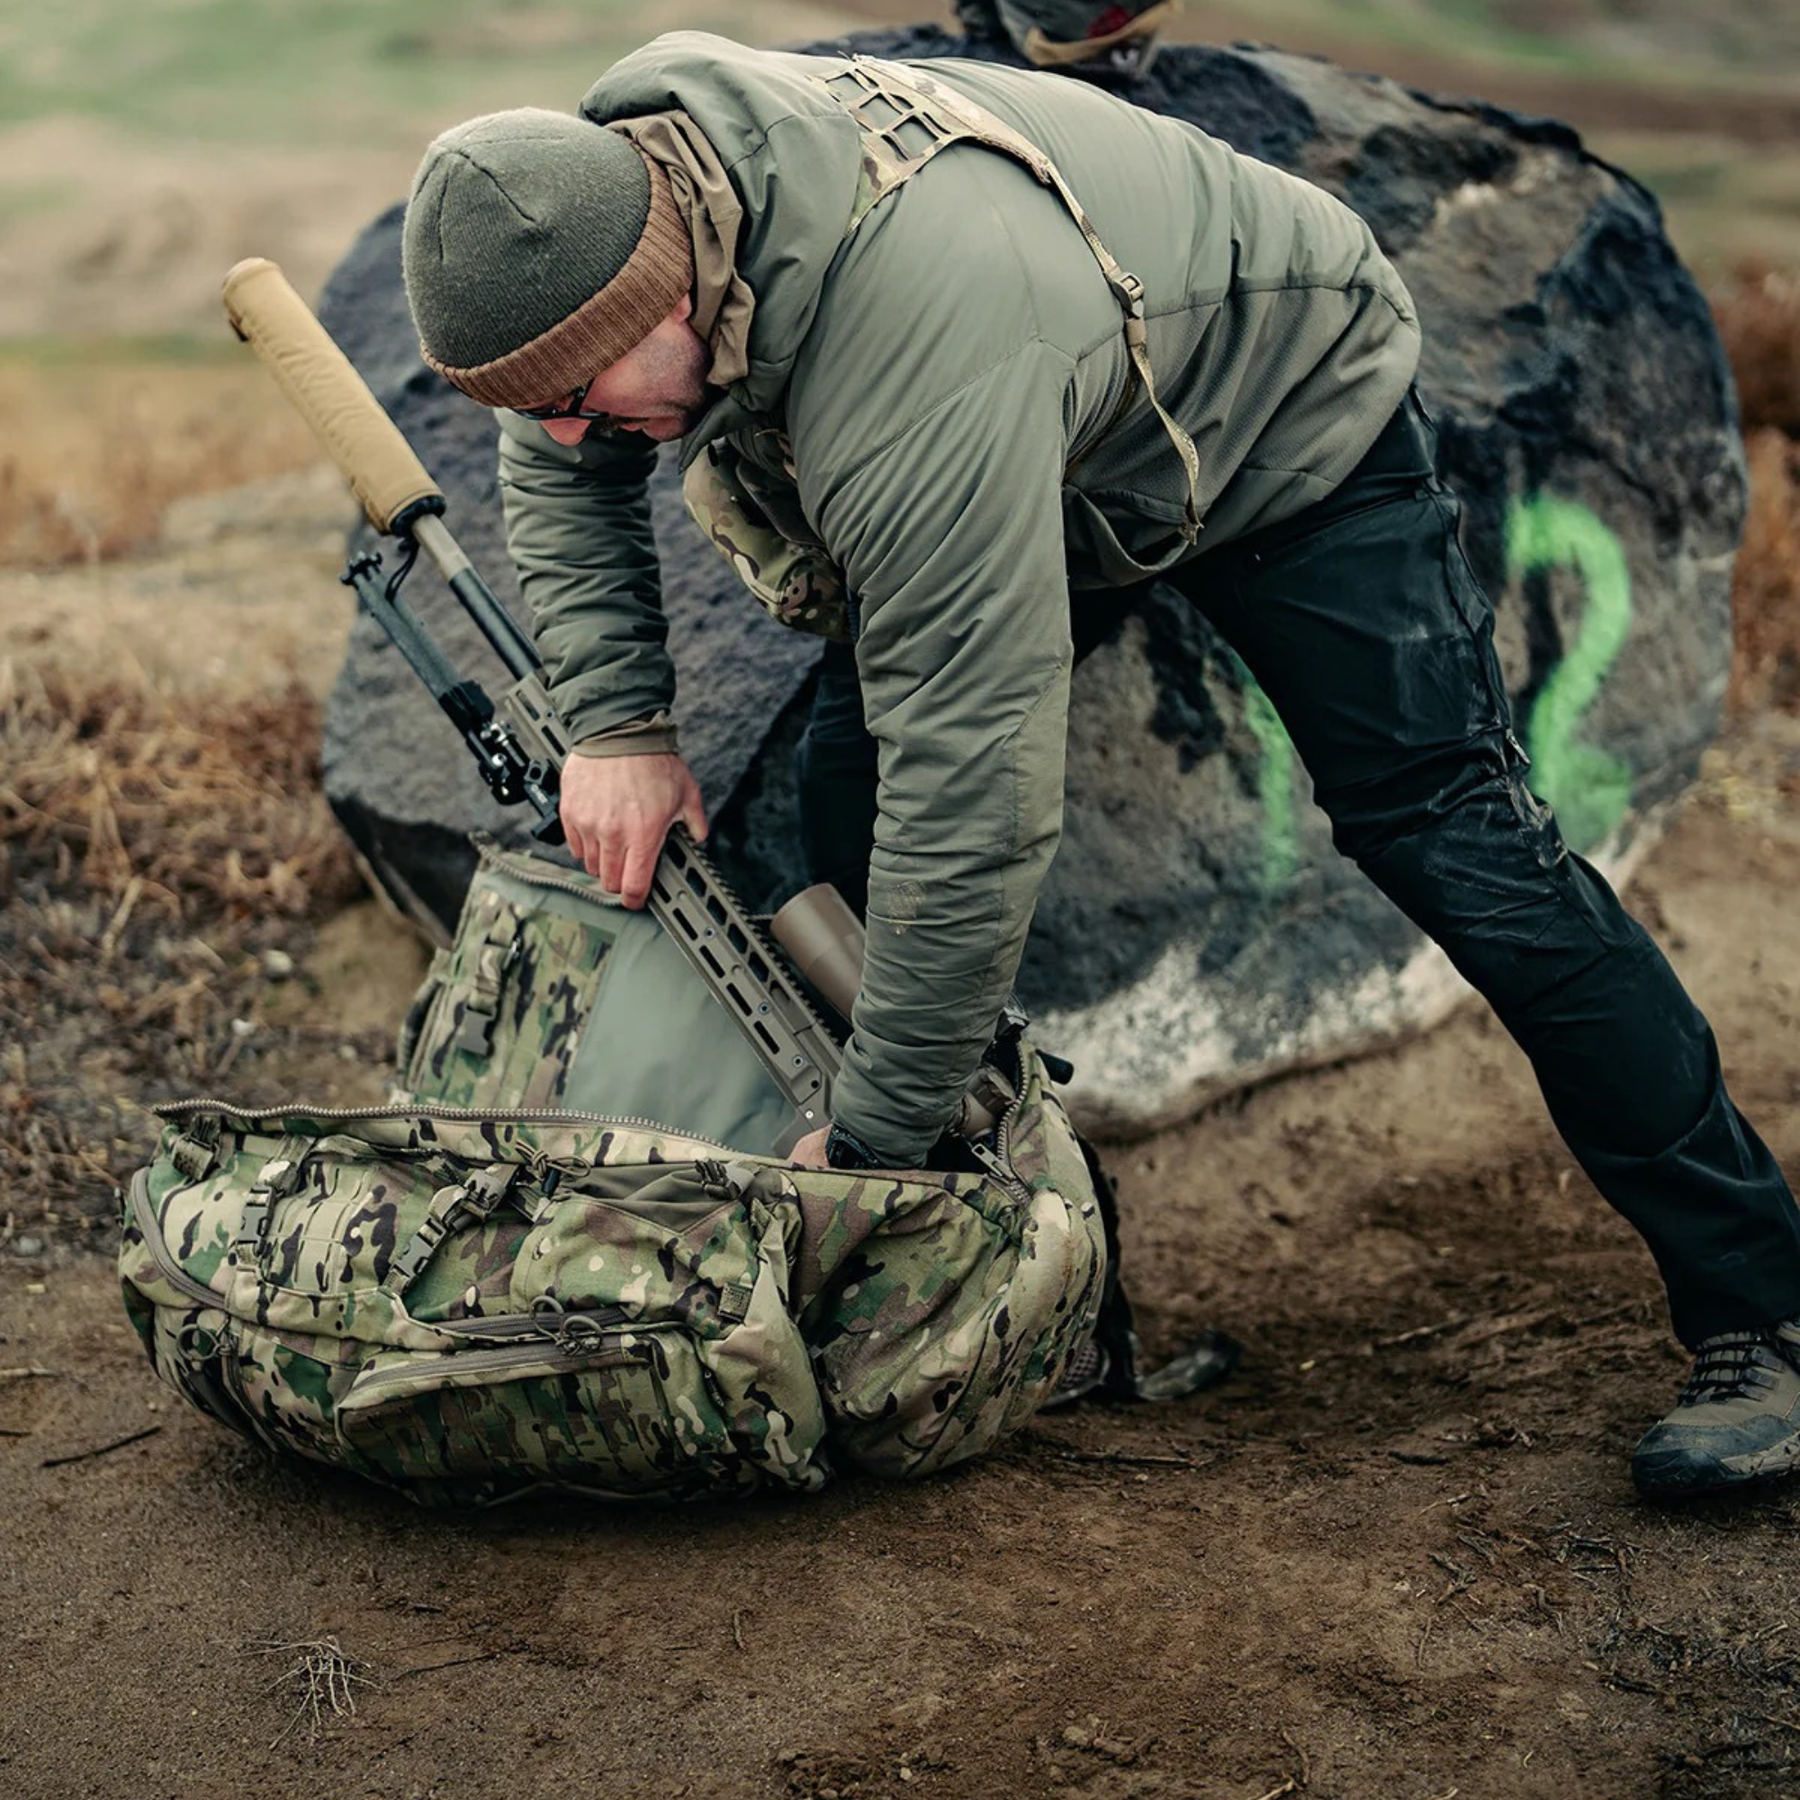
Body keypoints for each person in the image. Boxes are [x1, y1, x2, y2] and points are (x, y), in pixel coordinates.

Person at [399, 31, 1800, 1497]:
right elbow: (556, 457)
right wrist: (620, 727)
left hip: (1276, 410)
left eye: (583, 389)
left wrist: (876, 1143)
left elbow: (976, 793)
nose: (568, 430)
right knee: (842, 819)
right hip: (1057, 431)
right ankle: (1045, 1308)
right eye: (534, 399)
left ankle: (1763, 1307)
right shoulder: (600, 223)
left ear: (669, 282)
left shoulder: (913, 344)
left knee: (1455, 840)